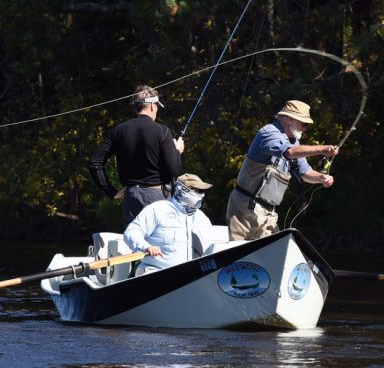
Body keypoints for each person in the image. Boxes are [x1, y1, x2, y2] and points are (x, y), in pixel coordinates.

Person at [226, 100, 339, 241]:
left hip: (269, 213)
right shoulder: (268, 133)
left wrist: (321, 178)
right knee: (242, 257)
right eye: (304, 124)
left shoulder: (295, 143)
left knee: (271, 254)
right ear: (290, 119)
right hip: (244, 209)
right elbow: (289, 152)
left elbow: (304, 173)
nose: (305, 129)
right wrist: (322, 149)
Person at [88, 85, 185, 227]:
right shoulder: (162, 131)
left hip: (131, 197)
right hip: (158, 198)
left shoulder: (118, 131)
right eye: (157, 106)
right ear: (152, 106)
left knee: (135, 245)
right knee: (159, 244)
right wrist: (177, 151)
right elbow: (174, 170)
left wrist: (111, 191)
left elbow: (94, 162)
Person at [123, 173, 213, 275]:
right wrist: (145, 246)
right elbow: (132, 231)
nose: (200, 194)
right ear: (181, 189)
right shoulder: (157, 209)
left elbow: (212, 249)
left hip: (192, 279)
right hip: (156, 274)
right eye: (196, 190)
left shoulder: (202, 218)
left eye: (201, 191)